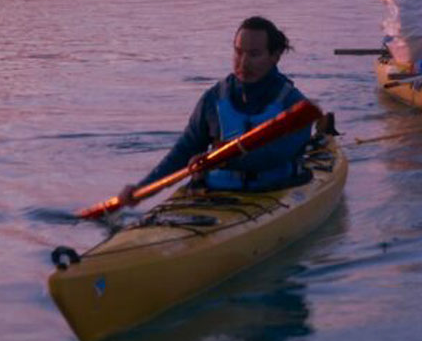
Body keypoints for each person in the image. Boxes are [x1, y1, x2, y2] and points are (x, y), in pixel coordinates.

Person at [120, 16, 313, 203]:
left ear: (275, 55)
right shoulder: (214, 99)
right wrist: (143, 188)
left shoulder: (294, 105)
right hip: (214, 193)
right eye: (238, 52)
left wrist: (220, 159)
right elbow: (184, 152)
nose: (243, 63)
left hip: (275, 189)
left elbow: (275, 154)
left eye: (254, 54)